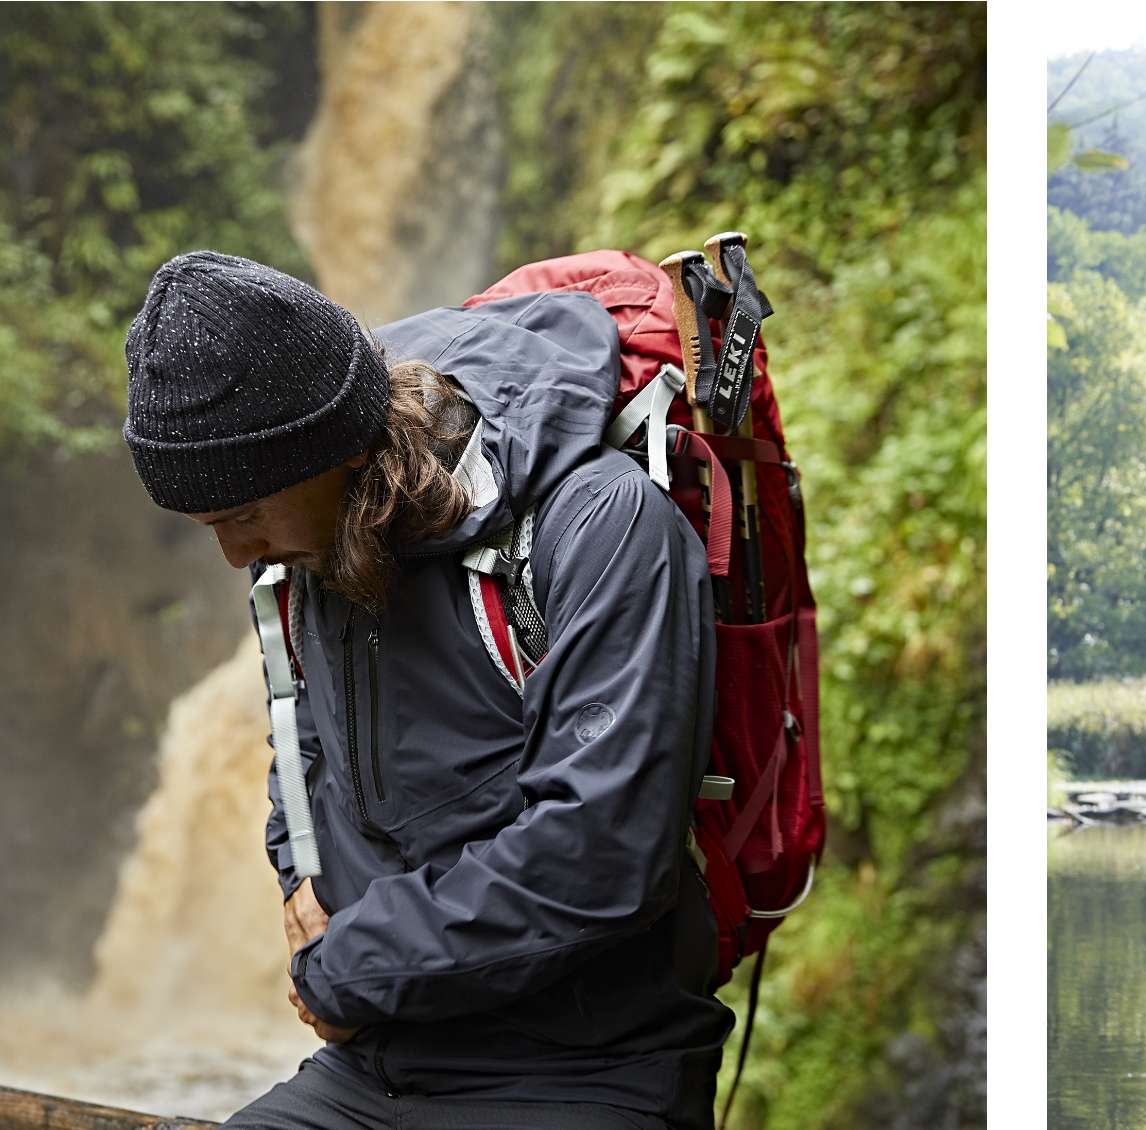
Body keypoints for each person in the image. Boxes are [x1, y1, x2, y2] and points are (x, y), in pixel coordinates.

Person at [121, 251, 731, 1128]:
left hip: (585, 1072)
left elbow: (600, 852)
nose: (234, 553)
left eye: (244, 515)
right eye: (211, 525)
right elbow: (300, 745)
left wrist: (349, 967)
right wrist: (304, 882)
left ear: (330, 450)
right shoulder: (304, 557)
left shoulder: (601, 526)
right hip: (374, 1067)